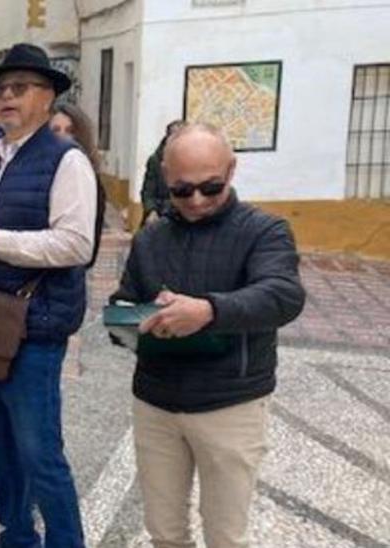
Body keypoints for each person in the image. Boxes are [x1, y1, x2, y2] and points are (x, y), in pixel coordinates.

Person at [110, 123, 305, 548]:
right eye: (181, 190)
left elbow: (284, 295)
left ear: (231, 171)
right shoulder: (151, 237)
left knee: (225, 536)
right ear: (165, 177)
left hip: (229, 404)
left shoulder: (264, 231)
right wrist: (130, 319)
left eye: (210, 187)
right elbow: (124, 300)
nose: (196, 200)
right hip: (156, 402)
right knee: (164, 531)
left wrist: (209, 311)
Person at [0, 43, 98, 547]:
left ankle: (64, 541)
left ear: (49, 95)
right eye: (0, 90)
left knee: (39, 452)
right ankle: (17, 534)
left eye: (20, 88)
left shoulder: (66, 160)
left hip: (31, 326)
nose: (6, 97)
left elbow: (76, 244)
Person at [50, 101, 108, 268]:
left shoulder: (88, 179)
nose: (62, 136)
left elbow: (89, 249)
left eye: (69, 131)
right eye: (55, 130)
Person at [140, 119, 187, 224]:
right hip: (161, 213)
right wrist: (151, 211)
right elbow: (147, 192)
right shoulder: (155, 161)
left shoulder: (194, 161)